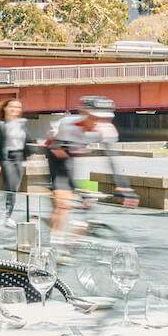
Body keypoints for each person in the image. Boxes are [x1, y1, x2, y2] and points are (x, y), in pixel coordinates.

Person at [47, 96, 120, 234]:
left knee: (79, 204)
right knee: (63, 202)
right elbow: (63, 165)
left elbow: (110, 157)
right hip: (57, 155)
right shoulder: (68, 126)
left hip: (74, 154)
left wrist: (122, 186)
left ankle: (70, 240)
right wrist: (79, 192)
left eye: (103, 119)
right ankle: (54, 238)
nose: (98, 122)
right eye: (94, 117)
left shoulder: (106, 129)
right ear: (84, 113)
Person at [0, 98, 32, 225]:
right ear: (5, 108)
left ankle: (4, 211)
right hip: (7, 158)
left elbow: (27, 141)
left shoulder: (23, 123)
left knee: (14, 187)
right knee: (10, 186)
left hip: (19, 157)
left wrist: (28, 158)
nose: (15, 109)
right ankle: (6, 215)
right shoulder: (0, 124)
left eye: (18, 107)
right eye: (12, 106)